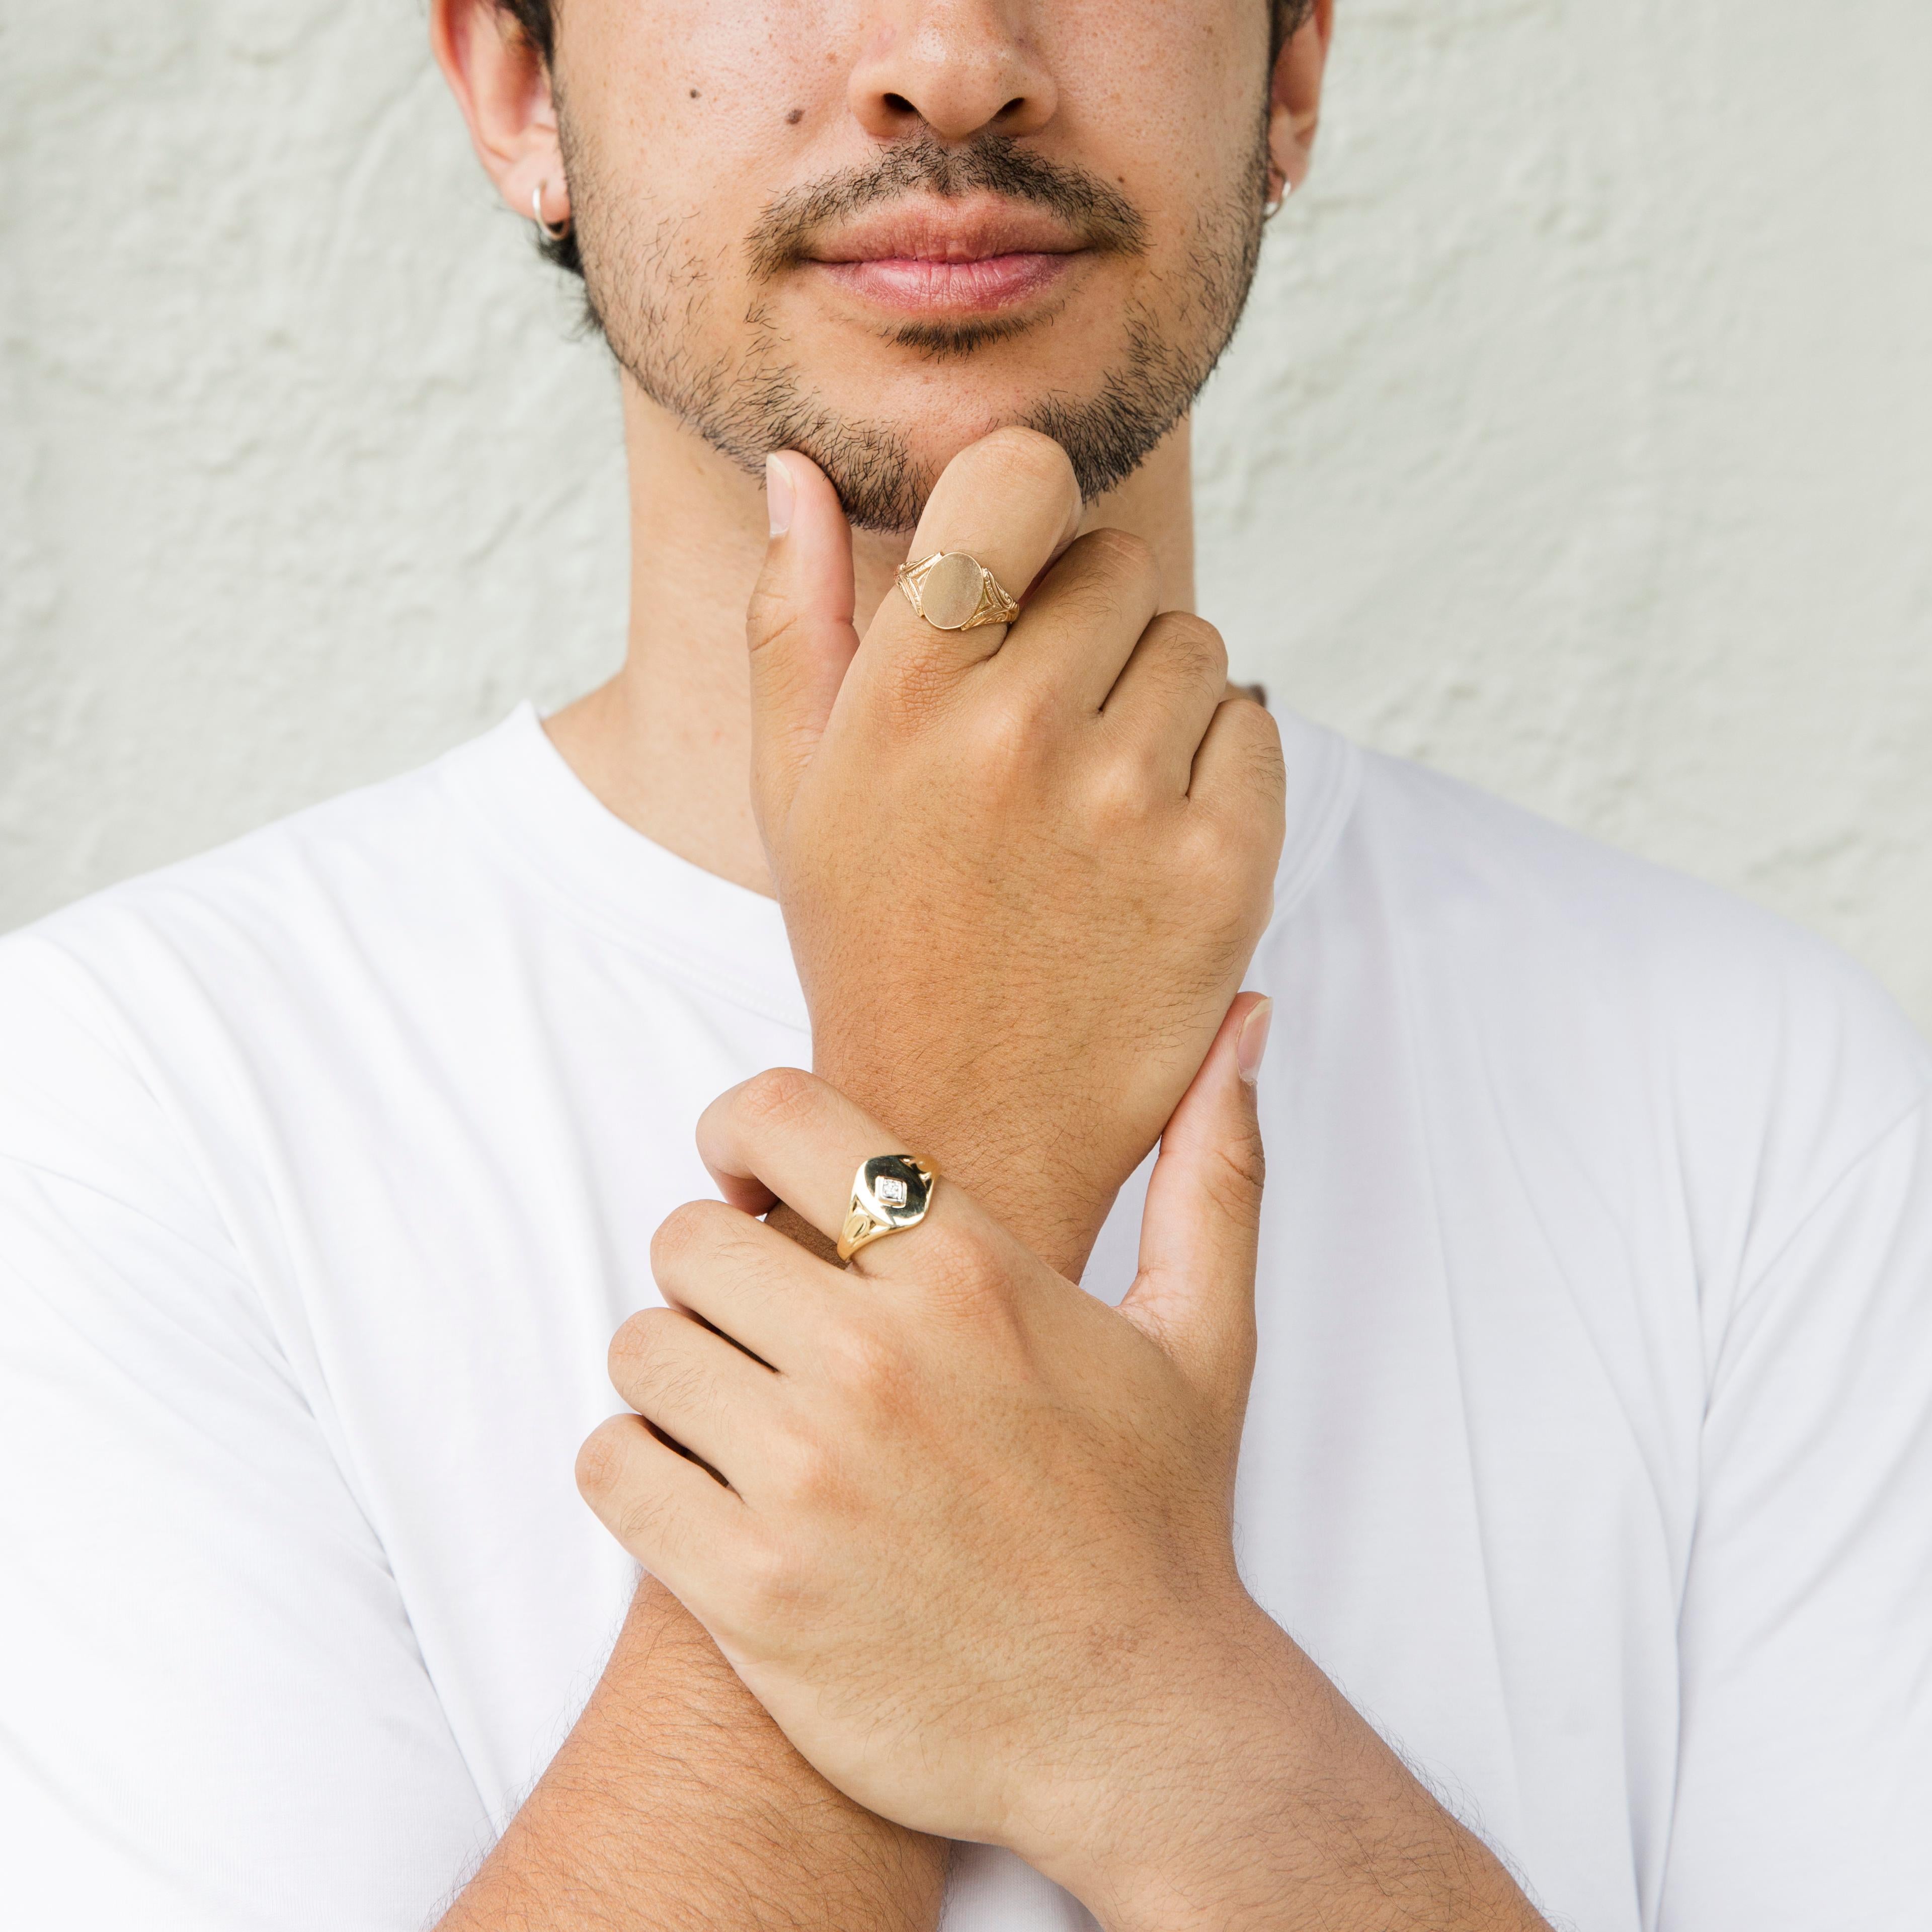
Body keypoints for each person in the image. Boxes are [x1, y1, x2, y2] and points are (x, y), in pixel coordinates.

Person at [1, 1, 1926, 1927]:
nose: (950, 56)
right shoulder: (119, 1116)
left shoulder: (1764, 1100)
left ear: (1292, 71)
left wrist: (1143, 1694)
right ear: (522, 91)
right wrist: (959, 1124)